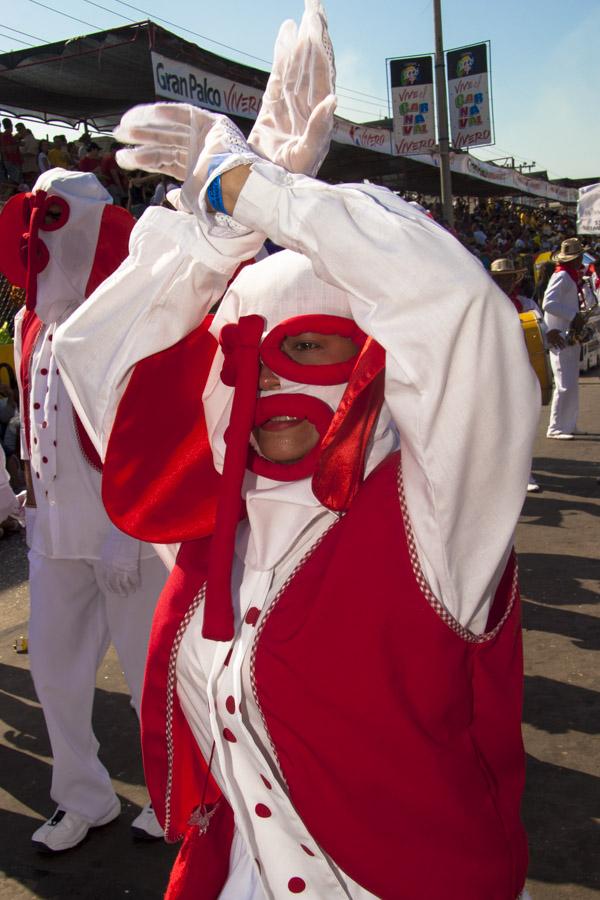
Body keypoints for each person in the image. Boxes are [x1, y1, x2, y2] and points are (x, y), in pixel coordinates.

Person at [55, 3, 538, 897]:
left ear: (372, 362)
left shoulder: (437, 522)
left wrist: (257, 189)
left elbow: (458, 312)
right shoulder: (206, 528)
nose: (274, 386)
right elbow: (95, 360)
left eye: (308, 347)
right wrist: (217, 232)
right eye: (249, 363)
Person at [0, 168, 169, 852]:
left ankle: (175, 793)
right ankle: (81, 796)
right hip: (54, 534)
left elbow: (158, 427)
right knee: (55, 674)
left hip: (127, 529)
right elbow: (36, 429)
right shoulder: (24, 322)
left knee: (149, 674)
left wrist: (133, 530)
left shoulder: (139, 314)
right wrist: (25, 506)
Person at [542, 237, 586, 439]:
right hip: (560, 336)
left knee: (571, 383)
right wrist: (573, 315)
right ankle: (556, 427)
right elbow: (548, 303)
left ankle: (568, 424)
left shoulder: (569, 276)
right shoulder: (562, 277)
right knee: (564, 384)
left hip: (568, 336)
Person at [0, 118, 22, 183]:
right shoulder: (7, 135)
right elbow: (8, 149)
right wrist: (18, 144)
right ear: (11, 125)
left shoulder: (6, 135)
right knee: (14, 182)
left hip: (9, 160)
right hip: (11, 161)